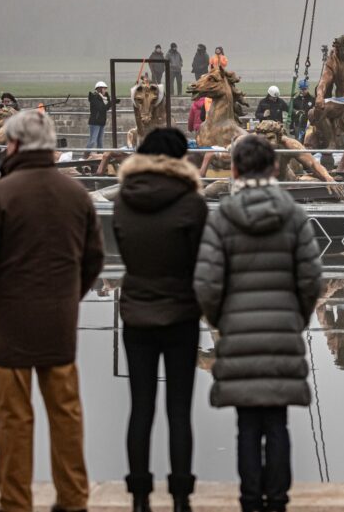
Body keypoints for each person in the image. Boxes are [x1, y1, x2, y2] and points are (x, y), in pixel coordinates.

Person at [0, 109, 104, 512]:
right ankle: (73, 499)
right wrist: (68, 299)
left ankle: (16, 501)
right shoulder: (75, 195)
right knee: (66, 415)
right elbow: (94, 258)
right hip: (59, 323)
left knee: (12, 420)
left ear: (17, 145)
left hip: (9, 328)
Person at [194, 134, 322, 512]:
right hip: (282, 332)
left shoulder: (222, 220)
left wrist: (223, 322)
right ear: (276, 168)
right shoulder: (295, 217)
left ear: (234, 169)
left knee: (247, 426)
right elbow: (311, 279)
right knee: (277, 424)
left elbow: (206, 284)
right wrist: (295, 318)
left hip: (239, 335)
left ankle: (250, 501)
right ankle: (278, 501)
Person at [113, 128, 207, 512]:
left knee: (141, 408)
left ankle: (139, 498)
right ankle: (181, 497)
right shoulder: (191, 204)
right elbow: (201, 262)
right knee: (179, 410)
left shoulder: (123, 201)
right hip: (181, 313)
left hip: (136, 313)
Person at [86, 81, 111, 157]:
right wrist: (111, 103)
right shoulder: (94, 98)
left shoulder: (103, 98)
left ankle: (101, 157)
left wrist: (111, 102)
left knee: (100, 141)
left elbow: (105, 109)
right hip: (95, 122)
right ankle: (85, 156)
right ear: (100, 89)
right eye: (104, 89)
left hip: (101, 122)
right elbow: (102, 108)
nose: (105, 90)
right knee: (92, 141)